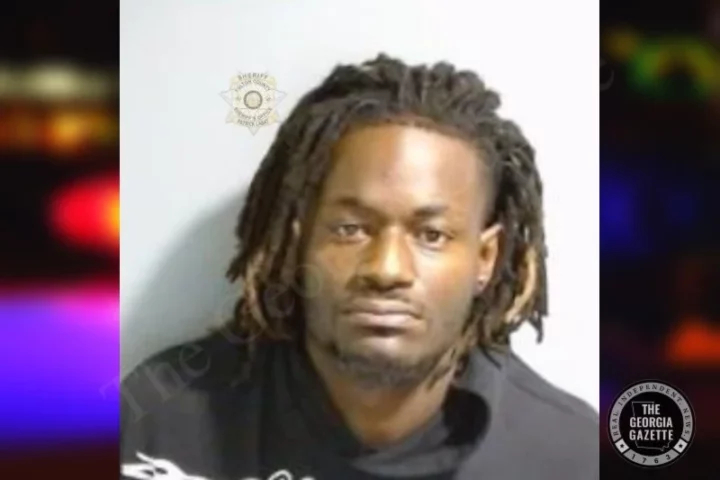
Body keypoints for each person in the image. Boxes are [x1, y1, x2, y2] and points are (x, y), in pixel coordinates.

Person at [120, 53, 598, 480]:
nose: (387, 269)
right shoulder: (162, 417)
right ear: (298, 240)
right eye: (350, 229)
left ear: (485, 258)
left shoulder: (571, 456)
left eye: (431, 235)